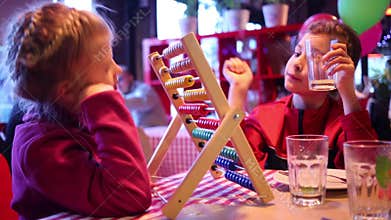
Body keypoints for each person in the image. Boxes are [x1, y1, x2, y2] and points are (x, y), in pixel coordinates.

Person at [2, 3, 151, 219]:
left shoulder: (75, 122)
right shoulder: (40, 150)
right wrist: (103, 101)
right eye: (107, 67)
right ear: (68, 92)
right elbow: (132, 196)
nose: (118, 70)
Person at [223, 19, 377, 170]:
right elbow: (234, 163)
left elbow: (367, 167)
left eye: (314, 59)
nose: (296, 64)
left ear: (337, 71)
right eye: (297, 53)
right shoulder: (265, 117)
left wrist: (347, 90)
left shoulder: (343, 123)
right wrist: (238, 89)